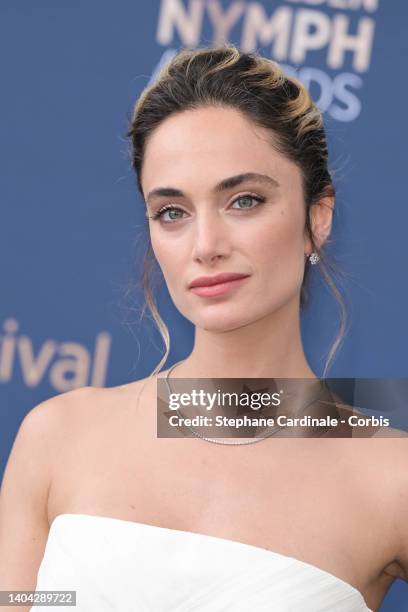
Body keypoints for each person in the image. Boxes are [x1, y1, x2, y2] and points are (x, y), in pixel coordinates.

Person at [0, 44, 407, 612]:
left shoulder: (392, 478)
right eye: (172, 212)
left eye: (244, 200)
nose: (206, 246)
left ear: (318, 216)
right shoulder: (56, 437)